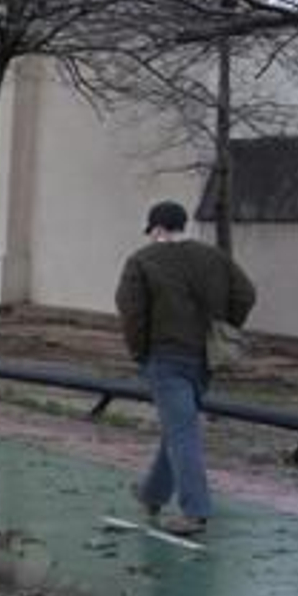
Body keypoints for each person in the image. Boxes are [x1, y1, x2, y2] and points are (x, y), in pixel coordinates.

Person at [114, 201, 256, 536]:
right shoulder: (214, 258)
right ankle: (152, 493)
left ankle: (195, 511)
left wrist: (139, 352)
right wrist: (224, 326)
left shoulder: (142, 261)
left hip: (165, 357)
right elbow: (246, 294)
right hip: (204, 357)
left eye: (151, 231)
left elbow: (131, 312)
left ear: (158, 229)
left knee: (182, 431)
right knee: (180, 426)